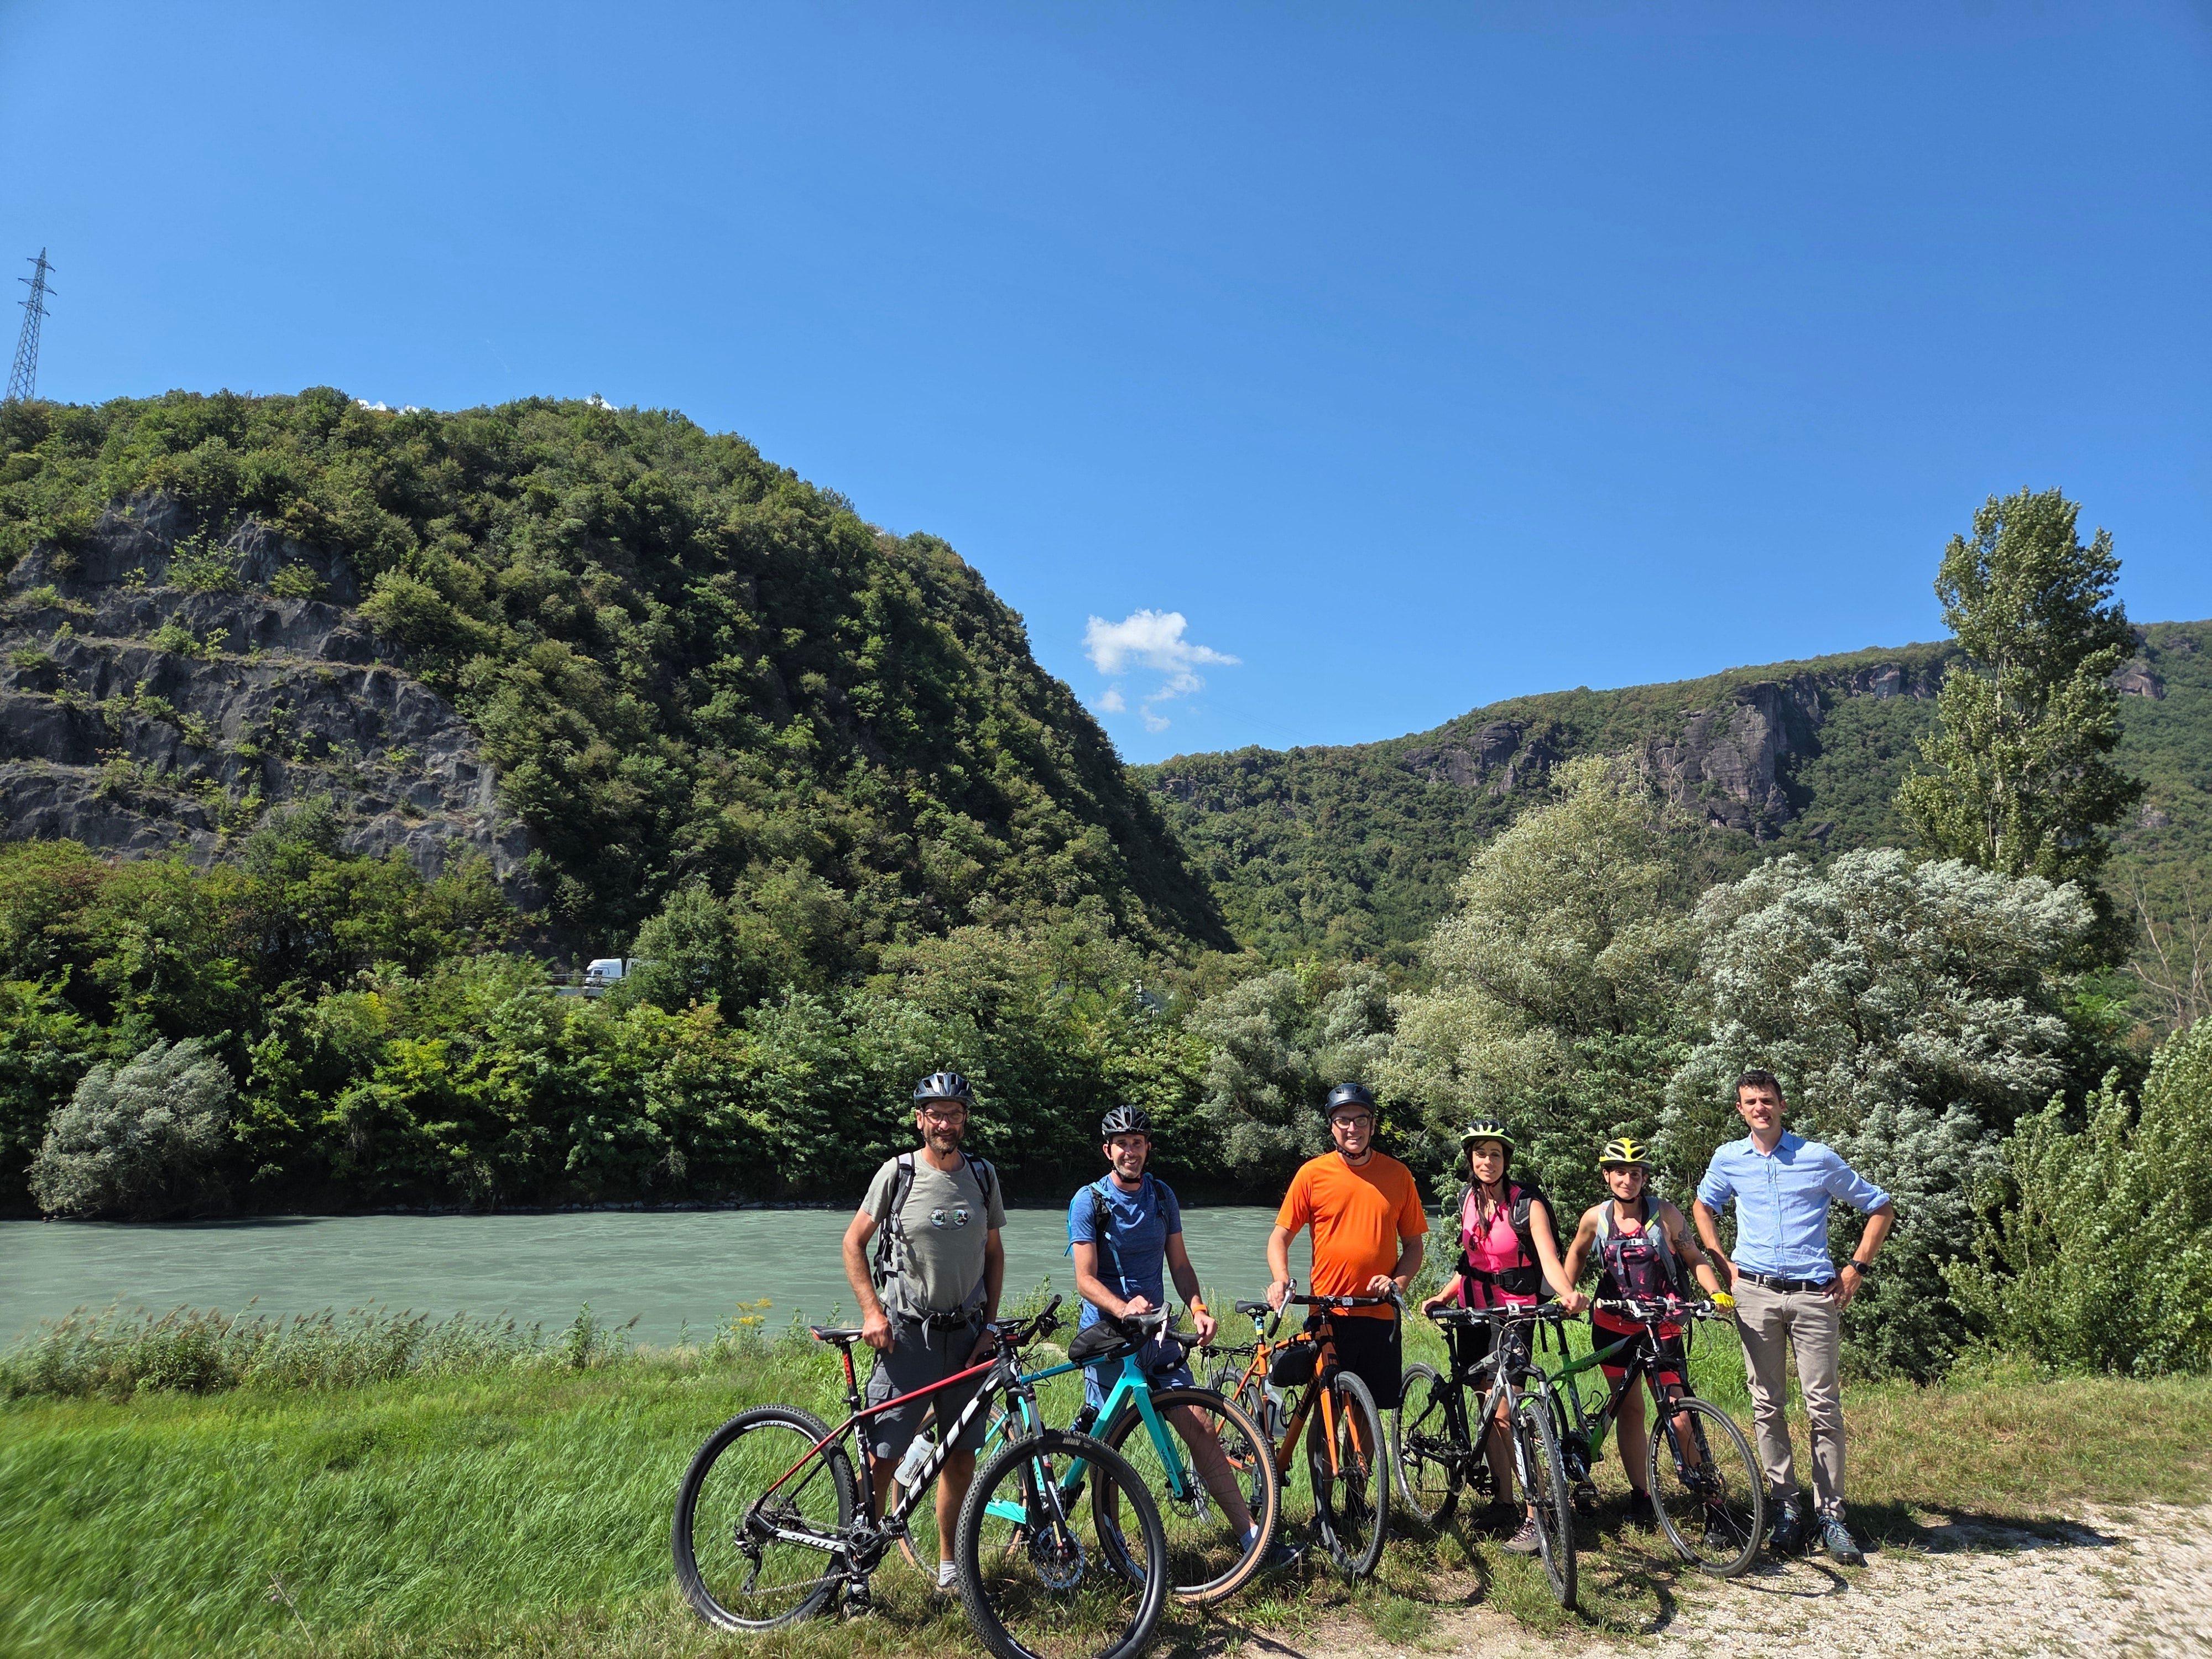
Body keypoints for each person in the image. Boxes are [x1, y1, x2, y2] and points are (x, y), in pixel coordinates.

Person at [1070, 1104, 1297, 1571]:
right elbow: (1085, 1280)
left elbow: (1180, 1264)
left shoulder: (1162, 1196)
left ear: (1147, 1147)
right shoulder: (1088, 1201)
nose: (1130, 1151)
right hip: (1109, 1339)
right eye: (1122, 1144)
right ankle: (1115, 1551)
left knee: (1201, 1426)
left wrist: (1198, 1307)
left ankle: (1252, 1538)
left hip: (1158, 1336)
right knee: (1107, 1450)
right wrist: (1122, 1306)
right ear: (1107, 1150)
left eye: (1138, 1143)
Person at [1691, 1069, 1895, 1566]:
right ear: (1740, 1110)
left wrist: (1856, 1270)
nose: (1759, 1108)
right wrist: (1720, 1257)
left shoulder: (1816, 1157)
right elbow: (1702, 1206)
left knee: (1823, 1406)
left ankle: (1831, 1517)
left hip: (1813, 1296)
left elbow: (1880, 1206)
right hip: (1756, 1295)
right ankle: (1785, 1508)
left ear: (1782, 1105)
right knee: (1767, 1404)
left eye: (1766, 1100)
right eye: (1749, 1102)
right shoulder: (1729, 1158)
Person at [841, 1070, 1007, 1593]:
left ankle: (949, 1567)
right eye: (935, 1113)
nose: (945, 1122)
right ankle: (858, 1568)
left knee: (961, 1455)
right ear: (920, 1120)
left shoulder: (982, 1176)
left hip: (966, 1337)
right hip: (907, 1336)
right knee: (884, 1453)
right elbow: (853, 1243)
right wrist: (872, 1312)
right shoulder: (898, 1173)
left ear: (965, 1120)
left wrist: (990, 1325)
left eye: (955, 1113)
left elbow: (994, 1254)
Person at [1419, 1117, 1584, 1554]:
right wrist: (1442, 1295)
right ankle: (1504, 1501)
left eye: (1495, 1154)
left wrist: (1568, 1294)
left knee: (1508, 1409)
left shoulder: (1526, 1204)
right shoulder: (1466, 1199)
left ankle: (1537, 1514)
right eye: (1480, 1154)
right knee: (1486, 1405)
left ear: (1505, 1159)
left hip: (1514, 1316)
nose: (1487, 1161)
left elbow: (1549, 1259)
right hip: (1473, 1311)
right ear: (1470, 1160)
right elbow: (1471, 1260)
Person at [1559, 1137, 1726, 1532]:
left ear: (1644, 1178)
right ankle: (1642, 1496)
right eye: (1621, 1173)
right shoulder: (1595, 1218)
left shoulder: (1664, 1214)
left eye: (1636, 1174)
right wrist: (1568, 1293)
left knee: (1681, 1414)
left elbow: (1693, 1257)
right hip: (1613, 1326)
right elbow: (1578, 1253)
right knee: (1630, 1411)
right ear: (1607, 1176)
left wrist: (1715, 1291)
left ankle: (1711, 1501)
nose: (1628, 1180)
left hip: (1661, 1326)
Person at [1266, 1082, 1427, 1417]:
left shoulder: (1399, 1175)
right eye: (1343, 1120)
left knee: (1370, 1414)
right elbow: (1279, 1237)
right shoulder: (1313, 1174)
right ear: (1332, 1126)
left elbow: (1413, 1245)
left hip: (1379, 1311)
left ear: (1372, 1124)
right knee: (1329, 1412)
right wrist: (1281, 1279)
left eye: (1361, 1119)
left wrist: (1399, 1282)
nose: (1352, 1128)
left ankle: (1365, 1472)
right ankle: (1323, 1471)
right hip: (1328, 1313)